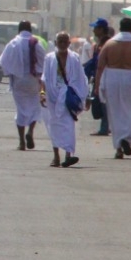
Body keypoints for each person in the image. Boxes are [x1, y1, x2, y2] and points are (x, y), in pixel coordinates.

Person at [96, 17, 131, 160]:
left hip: (112, 77)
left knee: (114, 113)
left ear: (119, 28)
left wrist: (96, 87)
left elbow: (100, 66)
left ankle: (119, 147)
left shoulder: (109, 44)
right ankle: (128, 137)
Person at [0, 21, 46, 151]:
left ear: (19, 30)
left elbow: (3, 61)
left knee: (21, 109)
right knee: (35, 107)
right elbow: (45, 60)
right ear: (30, 30)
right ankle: (30, 131)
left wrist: (11, 72)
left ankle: (21, 142)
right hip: (33, 80)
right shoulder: (36, 43)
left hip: (18, 80)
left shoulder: (14, 42)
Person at [42, 31, 87, 168]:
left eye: (64, 41)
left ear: (69, 43)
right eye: (59, 41)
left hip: (68, 96)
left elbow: (80, 78)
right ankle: (56, 156)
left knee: (68, 125)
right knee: (54, 125)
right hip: (53, 96)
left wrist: (83, 95)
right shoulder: (49, 58)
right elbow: (44, 78)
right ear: (56, 43)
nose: (62, 44)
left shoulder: (75, 58)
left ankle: (68, 155)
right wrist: (42, 93)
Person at [86, 19, 111, 137]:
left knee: (104, 102)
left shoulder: (106, 43)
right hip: (98, 74)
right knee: (100, 102)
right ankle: (105, 127)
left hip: (104, 75)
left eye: (95, 28)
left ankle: (105, 128)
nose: (93, 30)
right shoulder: (99, 43)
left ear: (101, 29)